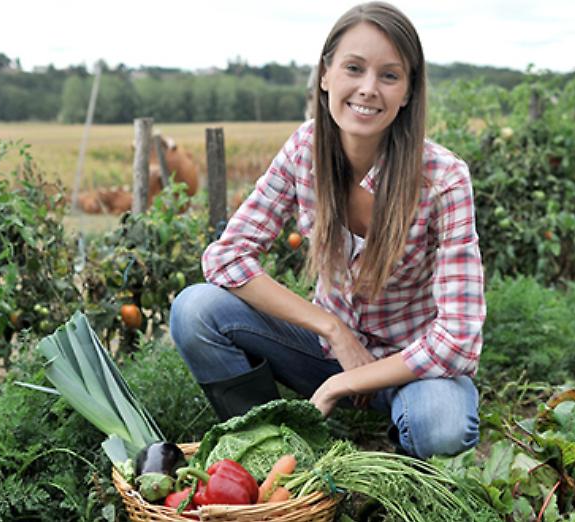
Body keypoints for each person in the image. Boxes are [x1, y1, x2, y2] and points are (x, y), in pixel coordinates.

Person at [170, 1, 484, 459]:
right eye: (353, 68)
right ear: (325, 75)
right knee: (195, 310)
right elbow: (226, 256)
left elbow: (458, 341)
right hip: (321, 352)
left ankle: (398, 462)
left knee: (439, 425)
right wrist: (333, 329)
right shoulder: (304, 150)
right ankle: (280, 449)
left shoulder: (443, 179)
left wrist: (347, 380)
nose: (368, 89)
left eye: (389, 76)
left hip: (412, 369)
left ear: (409, 92)